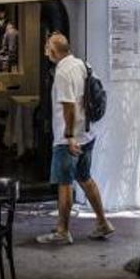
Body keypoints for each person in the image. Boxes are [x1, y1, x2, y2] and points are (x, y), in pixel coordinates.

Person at [36, 33, 114, 244]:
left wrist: (69, 136)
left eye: (46, 48)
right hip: (88, 134)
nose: (46, 52)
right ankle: (103, 223)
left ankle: (62, 231)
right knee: (85, 178)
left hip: (69, 138)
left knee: (65, 182)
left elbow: (68, 106)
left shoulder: (62, 73)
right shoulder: (82, 65)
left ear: (53, 52)